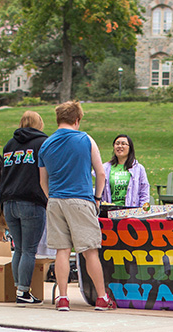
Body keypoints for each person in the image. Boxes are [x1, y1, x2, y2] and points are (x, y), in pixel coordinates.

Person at [38, 100, 115, 311]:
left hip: (55, 201)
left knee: (62, 250)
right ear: (77, 119)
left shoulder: (46, 144)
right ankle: (101, 297)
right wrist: (97, 198)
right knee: (90, 250)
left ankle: (62, 297)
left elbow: (42, 181)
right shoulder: (85, 139)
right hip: (80, 199)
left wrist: (51, 197)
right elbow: (101, 173)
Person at [0, 110, 49, 305]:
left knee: (18, 249)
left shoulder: (9, 145)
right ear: (39, 123)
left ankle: (18, 289)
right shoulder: (42, 143)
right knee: (29, 250)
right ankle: (23, 292)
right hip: (31, 201)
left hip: (9, 201)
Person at [101, 134, 150, 207]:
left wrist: (141, 211)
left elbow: (144, 192)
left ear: (130, 148)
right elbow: (100, 192)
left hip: (131, 213)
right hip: (109, 212)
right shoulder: (105, 168)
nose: (120, 146)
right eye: (117, 144)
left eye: (123, 144)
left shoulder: (138, 169)